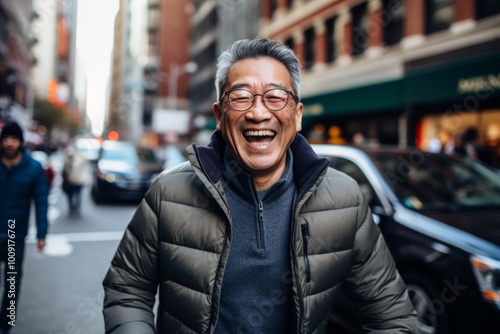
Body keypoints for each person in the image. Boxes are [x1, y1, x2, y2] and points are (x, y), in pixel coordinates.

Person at [102, 38, 417, 333]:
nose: (257, 112)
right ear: (220, 115)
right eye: (240, 96)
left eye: (276, 96)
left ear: (297, 115)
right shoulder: (168, 192)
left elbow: (392, 314)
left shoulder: (345, 198)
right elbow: (127, 289)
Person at [0, 121, 48, 333]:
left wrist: (41, 233)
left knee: (11, 283)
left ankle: (6, 326)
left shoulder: (33, 168)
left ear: (20, 142)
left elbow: (41, 201)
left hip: (13, 236)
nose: (9, 143)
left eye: (14, 139)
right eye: (6, 139)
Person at [62, 144, 90, 217]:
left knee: (71, 195)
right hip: (78, 180)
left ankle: (72, 209)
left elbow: (65, 170)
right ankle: (76, 209)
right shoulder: (81, 157)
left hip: (71, 180)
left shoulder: (69, 158)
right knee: (77, 194)